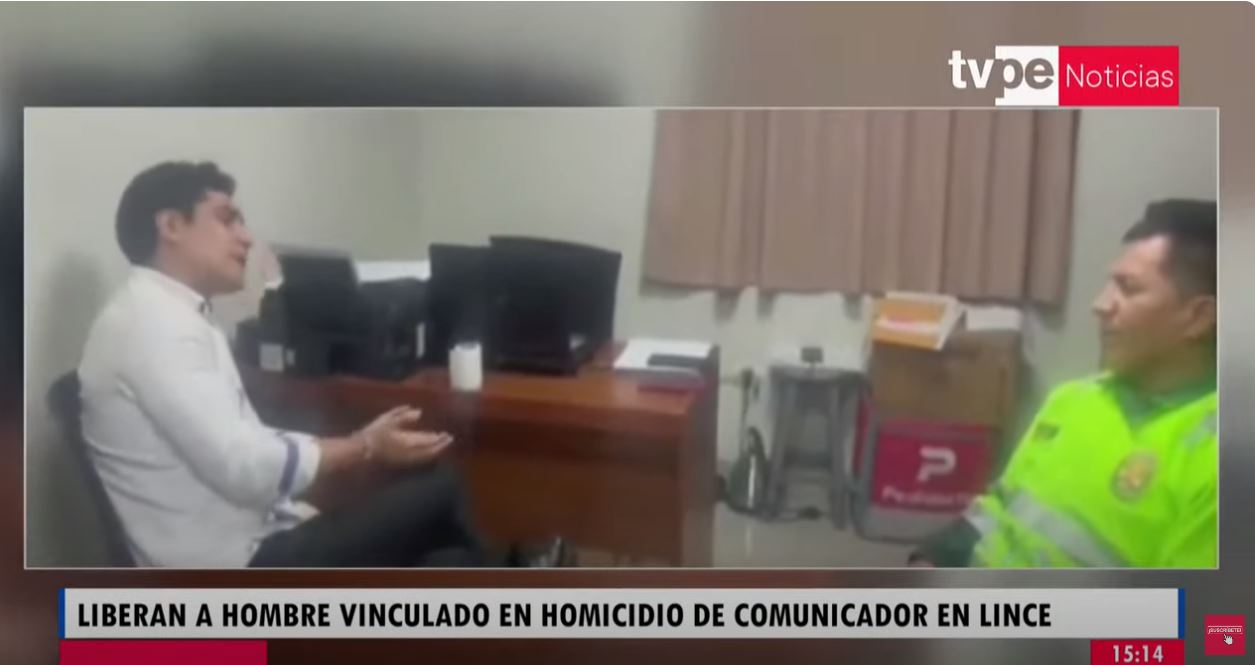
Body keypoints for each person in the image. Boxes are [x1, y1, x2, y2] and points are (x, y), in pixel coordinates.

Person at [78, 161, 569, 568]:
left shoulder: (169, 314)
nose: (246, 238)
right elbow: (243, 466)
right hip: (238, 568)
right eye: (228, 220)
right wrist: (363, 446)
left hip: (256, 535)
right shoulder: (153, 326)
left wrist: (363, 445)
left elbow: (247, 441)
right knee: (443, 487)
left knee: (447, 560)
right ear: (171, 226)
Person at [910, 199, 1217, 568]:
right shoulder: (1073, 398)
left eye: (1128, 289)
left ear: (1198, 317)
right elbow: (1000, 505)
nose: (1100, 304)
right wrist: (932, 559)